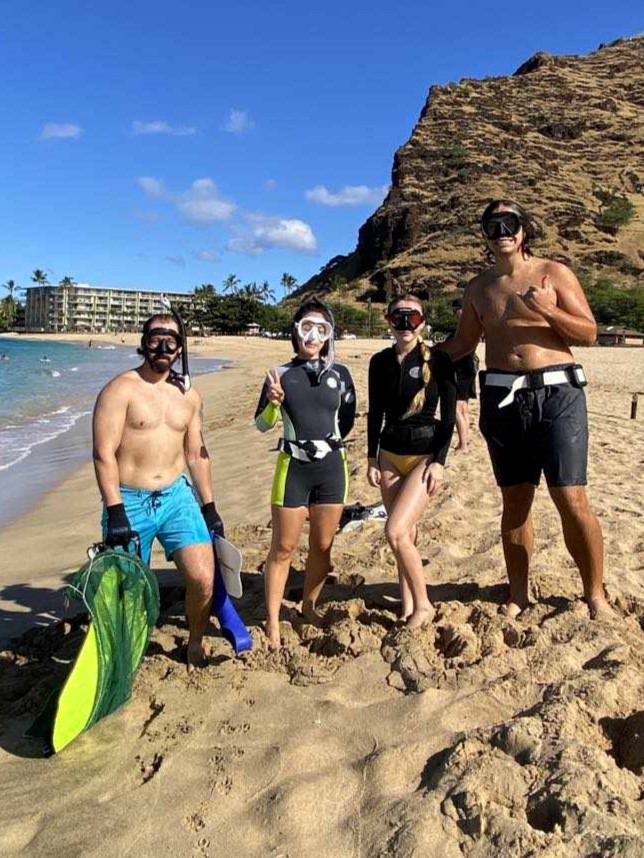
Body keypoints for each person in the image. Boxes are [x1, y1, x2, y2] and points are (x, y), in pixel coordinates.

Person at [441, 198, 610, 619]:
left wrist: (547, 309)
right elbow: (462, 345)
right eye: (493, 224)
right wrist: (420, 356)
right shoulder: (478, 288)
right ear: (484, 232)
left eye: (510, 223)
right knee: (515, 503)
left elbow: (588, 333)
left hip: (558, 396)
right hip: (502, 400)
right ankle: (518, 594)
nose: (503, 231)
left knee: (571, 498)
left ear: (524, 230)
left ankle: (595, 594)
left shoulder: (554, 274)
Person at [92, 312, 224, 670]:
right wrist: (115, 510)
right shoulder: (119, 390)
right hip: (129, 500)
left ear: (181, 348)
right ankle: (127, 650)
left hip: (176, 497)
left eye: (171, 340)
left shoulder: (189, 396)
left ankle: (194, 642)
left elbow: (196, 453)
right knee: (130, 592)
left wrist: (209, 505)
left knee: (203, 578)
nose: (163, 347)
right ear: (143, 342)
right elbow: (103, 453)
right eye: (155, 338)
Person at [255, 298, 356, 649]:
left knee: (322, 546)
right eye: (306, 327)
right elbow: (262, 426)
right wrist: (273, 402)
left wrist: (328, 444)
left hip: (332, 469)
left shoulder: (340, 374)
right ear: (295, 332)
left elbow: (346, 421)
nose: (312, 335)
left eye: (321, 329)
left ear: (329, 335)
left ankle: (309, 606)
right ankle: (271, 623)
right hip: (293, 469)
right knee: (283, 547)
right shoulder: (278, 375)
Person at [367, 294, 457, 629]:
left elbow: (449, 418)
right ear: (388, 321)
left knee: (396, 531)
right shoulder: (379, 362)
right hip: (389, 456)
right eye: (398, 318)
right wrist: (371, 458)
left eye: (413, 319)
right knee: (408, 534)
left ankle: (423, 605)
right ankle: (406, 603)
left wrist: (440, 462)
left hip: (424, 456)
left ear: (423, 322)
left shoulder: (440, 360)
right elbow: (375, 413)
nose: (405, 326)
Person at [448, 296, 479, 452]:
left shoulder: (466, 329)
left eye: (457, 310)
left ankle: (463, 444)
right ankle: (464, 441)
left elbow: (459, 350)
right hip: (466, 370)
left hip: (462, 371)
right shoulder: (468, 327)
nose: (455, 313)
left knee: (456, 408)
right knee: (463, 408)